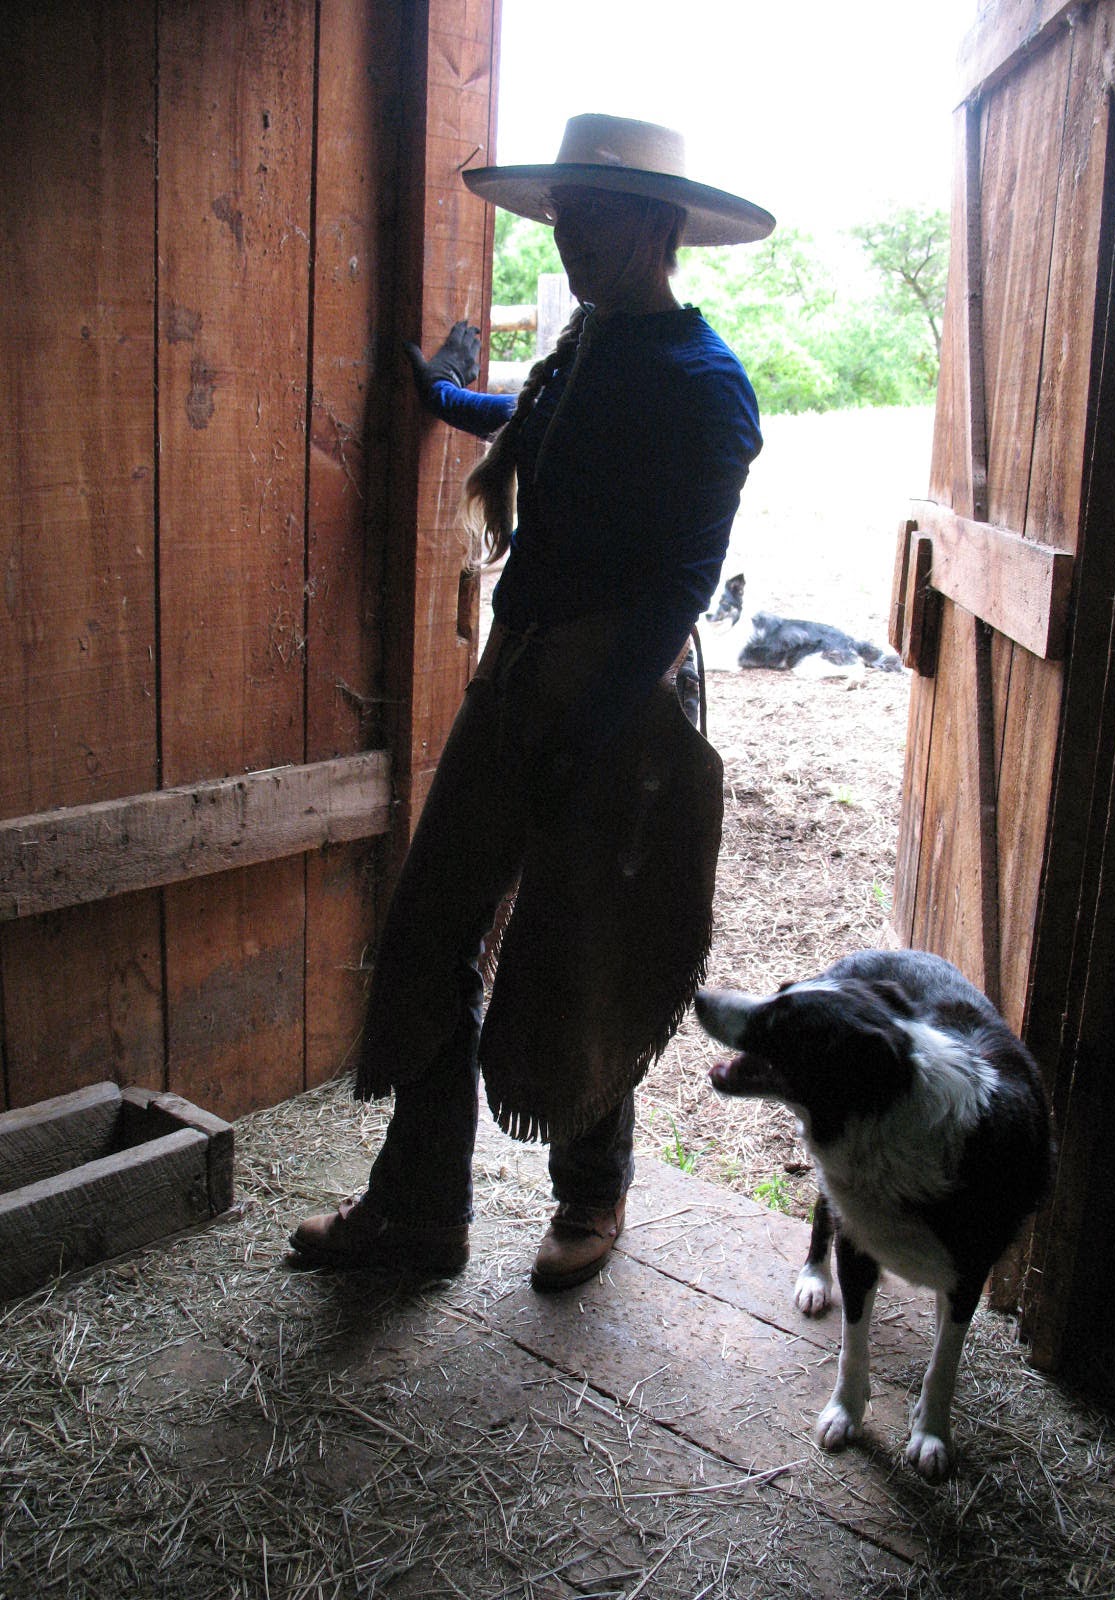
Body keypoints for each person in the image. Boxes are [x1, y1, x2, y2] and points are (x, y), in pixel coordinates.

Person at [291, 114, 774, 1291]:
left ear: (658, 225)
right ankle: (420, 1212)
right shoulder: (587, 350)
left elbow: (681, 584)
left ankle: (590, 1194)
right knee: (428, 931)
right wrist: (447, 395)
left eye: (594, 216)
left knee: (582, 946)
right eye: (563, 216)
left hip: (624, 704)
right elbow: (541, 426)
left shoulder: (708, 385)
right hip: (517, 679)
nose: (570, 237)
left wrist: (589, 730)